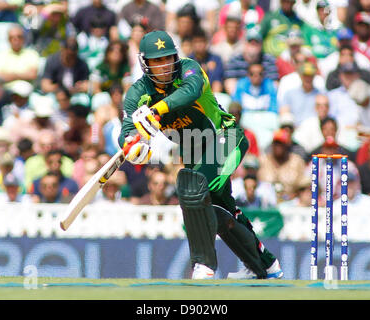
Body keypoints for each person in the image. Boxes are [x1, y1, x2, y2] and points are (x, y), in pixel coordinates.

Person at [118, 30, 282, 280]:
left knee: (192, 186)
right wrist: (133, 148)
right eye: (157, 61)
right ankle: (266, 267)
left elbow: (192, 91)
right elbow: (127, 132)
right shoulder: (137, 93)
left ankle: (203, 266)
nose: (164, 66)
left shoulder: (189, 69)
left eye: (167, 58)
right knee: (222, 211)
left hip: (226, 139)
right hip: (194, 153)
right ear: (145, 63)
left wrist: (156, 111)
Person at [224, 28, 278, 96]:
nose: (253, 45)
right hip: (241, 98)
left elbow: (274, 86)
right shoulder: (234, 61)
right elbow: (231, 87)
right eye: (250, 42)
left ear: (261, 44)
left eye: (256, 42)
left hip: (264, 98)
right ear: (244, 44)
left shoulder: (269, 60)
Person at [258, 128, 307, 203]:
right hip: (265, 203)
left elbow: (305, 185)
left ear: (287, 145)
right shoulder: (263, 161)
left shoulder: (297, 161)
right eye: (276, 144)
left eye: (281, 144)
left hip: (291, 203)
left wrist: (295, 195)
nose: (278, 147)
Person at [278, 61, 324, 127]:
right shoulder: (290, 94)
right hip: (295, 128)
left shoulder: (320, 95)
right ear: (300, 75)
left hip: (315, 128)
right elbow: (284, 112)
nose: (308, 78)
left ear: (314, 76)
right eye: (305, 75)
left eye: (310, 75)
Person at [188, 28, 224, 93]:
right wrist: (200, 70)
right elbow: (186, 76)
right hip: (194, 94)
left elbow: (218, 80)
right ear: (192, 44)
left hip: (212, 94)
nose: (199, 45)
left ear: (207, 42)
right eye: (196, 42)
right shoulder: (188, 61)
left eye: (202, 41)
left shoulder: (216, 59)